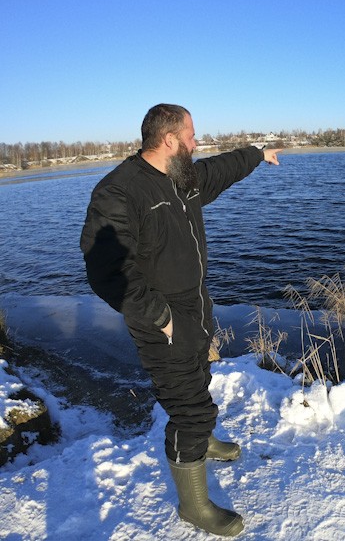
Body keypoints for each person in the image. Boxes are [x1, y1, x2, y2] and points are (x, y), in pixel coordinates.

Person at [80, 103, 281, 536]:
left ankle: (205, 441)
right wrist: (162, 318)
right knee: (187, 410)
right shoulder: (118, 192)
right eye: (191, 136)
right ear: (169, 140)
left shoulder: (182, 178)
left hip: (196, 304)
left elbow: (219, 171)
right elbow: (107, 269)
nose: (196, 142)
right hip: (161, 319)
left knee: (199, 374)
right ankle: (194, 505)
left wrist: (256, 153)